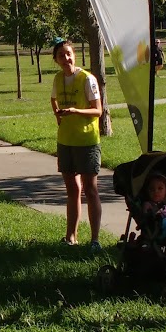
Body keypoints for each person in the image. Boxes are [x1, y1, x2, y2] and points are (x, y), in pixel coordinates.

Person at [50, 39, 103, 251]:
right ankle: (71, 236)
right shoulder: (58, 78)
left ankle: (95, 240)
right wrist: (57, 115)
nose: (66, 59)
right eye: (61, 56)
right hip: (65, 141)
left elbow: (98, 110)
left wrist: (75, 111)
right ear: (56, 60)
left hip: (86, 141)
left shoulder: (87, 79)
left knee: (90, 190)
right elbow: (53, 99)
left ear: (75, 55)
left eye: (69, 54)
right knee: (72, 189)